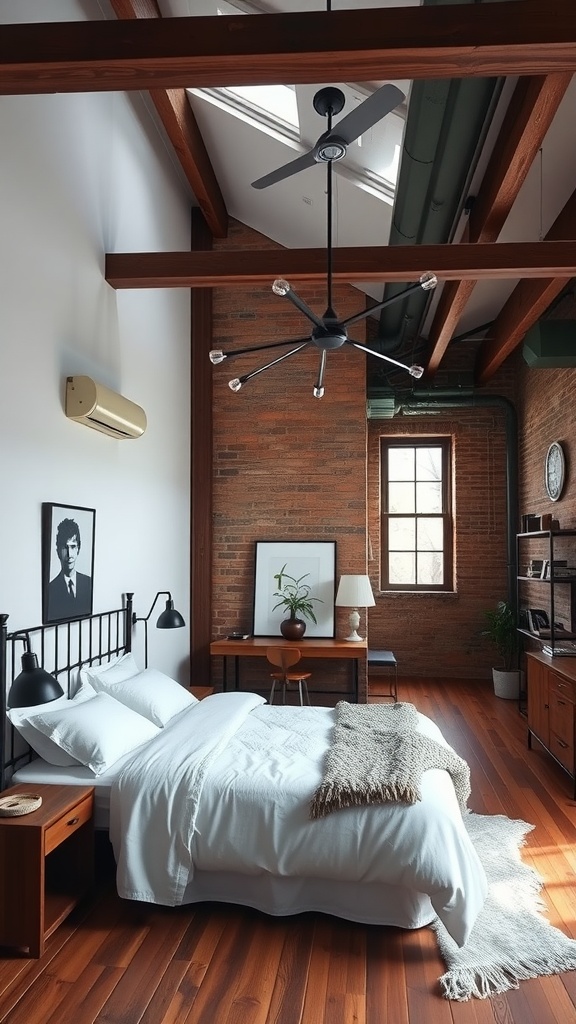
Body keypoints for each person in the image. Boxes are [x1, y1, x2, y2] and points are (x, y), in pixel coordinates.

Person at [46, 518, 92, 621]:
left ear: (78, 549)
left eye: (72, 547)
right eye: (64, 547)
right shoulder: (51, 589)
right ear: (58, 551)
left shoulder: (88, 583)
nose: (69, 554)